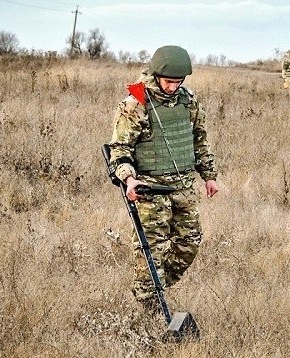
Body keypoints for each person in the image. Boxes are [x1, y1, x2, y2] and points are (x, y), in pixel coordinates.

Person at [108, 45, 219, 313]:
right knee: (151, 252)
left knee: (189, 244)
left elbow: (199, 140)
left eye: (178, 82)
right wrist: (129, 179)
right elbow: (120, 149)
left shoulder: (188, 100)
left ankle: (150, 290)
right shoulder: (135, 103)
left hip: (183, 187)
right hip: (149, 188)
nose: (173, 87)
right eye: (169, 81)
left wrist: (209, 176)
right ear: (157, 75)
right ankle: (150, 308)